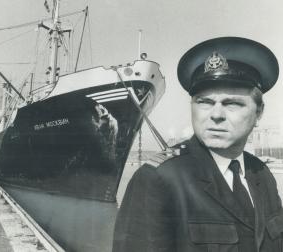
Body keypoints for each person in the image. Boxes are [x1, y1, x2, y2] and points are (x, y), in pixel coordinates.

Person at [112, 37, 283, 252]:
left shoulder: (261, 174)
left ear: (259, 112)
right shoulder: (158, 180)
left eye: (232, 103)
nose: (216, 115)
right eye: (205, 102)